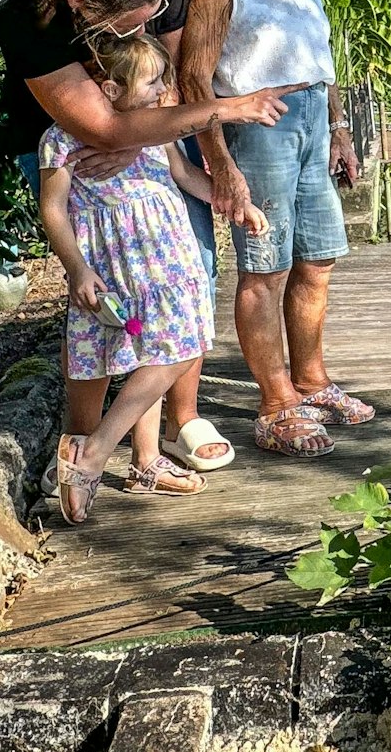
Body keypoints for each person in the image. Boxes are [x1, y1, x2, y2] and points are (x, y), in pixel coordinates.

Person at [0, 0, 303, 474]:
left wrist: (147, 141)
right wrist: (136, 132)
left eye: (153, 15)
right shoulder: (32, 14)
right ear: (81, 6)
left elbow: (174, 79)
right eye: (130, 24)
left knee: (189, 280)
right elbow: (101, 129)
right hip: (67, 151)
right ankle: (82, 441)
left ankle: (177, 424)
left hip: (153, 136)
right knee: (101, 311)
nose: (145, 29)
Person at [178, 0, 369, 458]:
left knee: (318, 259)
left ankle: (311, 382)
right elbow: (192, 81)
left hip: (312, 118)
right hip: (257, 126)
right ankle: (275, 402)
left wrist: (339, 128)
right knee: (265, 266)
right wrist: (221, 164)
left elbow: (322, 60)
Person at [40, 34, 263, 521]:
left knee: (165, 352)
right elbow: (52, 208)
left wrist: (235, 204)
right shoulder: (60, 139)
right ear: (110, 90)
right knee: (166, 352)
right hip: (116, 271)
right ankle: (94, 449)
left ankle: (144, 462)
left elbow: (186, 177)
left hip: (170, 270)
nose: (164, 90)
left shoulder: (157, 133)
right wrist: (76, 267)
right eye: (153, 80)